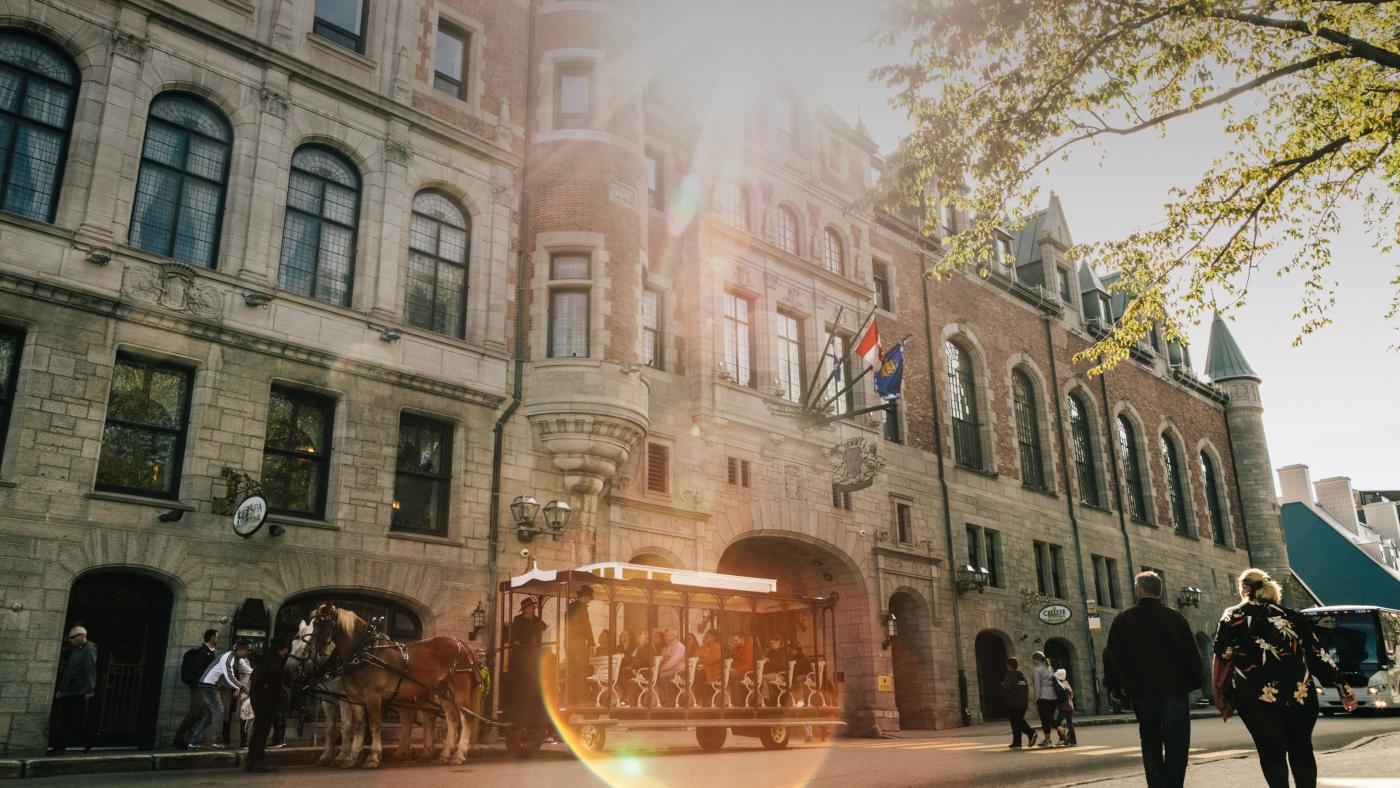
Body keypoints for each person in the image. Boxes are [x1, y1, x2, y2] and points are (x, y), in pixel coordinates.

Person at [1213, 568, 1358, 788]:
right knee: (1302, 749)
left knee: (1271, 752)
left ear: (1245, 588)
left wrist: (1222, 693)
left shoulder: (1233, 616)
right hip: (1299, 695)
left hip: (1258, 698)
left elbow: (1223, 654)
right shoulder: (1293, 616)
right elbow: (1318, 656)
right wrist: (1344, 689)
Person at [1103, 571, 1201, 788]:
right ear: (1160, 591)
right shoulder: (1176, 618)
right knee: (1177, 741)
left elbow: (1111, 656)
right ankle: (1174, 784)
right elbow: (1192, 654)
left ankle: (1156, 784)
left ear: (1139, 590)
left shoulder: (1123, 619)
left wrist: (1114, 687)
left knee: (1150, 739)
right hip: (1174, 689)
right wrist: (1194, 681)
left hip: (1141, 691)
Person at [189, 639, 251, 750]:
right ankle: (217, 742)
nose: (249, 652)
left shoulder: (239, 659)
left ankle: (193, 742)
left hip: (211, 685)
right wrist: (242, 688)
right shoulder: (229, 658)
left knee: (209, 715)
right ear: (241, 650)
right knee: (219, 711)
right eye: (248, 650)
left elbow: (249, 671)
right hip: (209, 684)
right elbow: (230, 677)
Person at [48, 625, 98, 755]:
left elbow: (90, 669)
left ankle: (60, 747)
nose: (70, 640)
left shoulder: (89, 649)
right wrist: (61, 689)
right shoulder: (76, 650)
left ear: (82, 636)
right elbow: (69, 671)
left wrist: (89, 689)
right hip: (69, 690)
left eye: (72, 637)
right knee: (69, 719)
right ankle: (89, 738)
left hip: (78, 690)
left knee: (68, 719)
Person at [243, 639, 290, 773]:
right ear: (280, 650)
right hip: (266, 701)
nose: (286, 652)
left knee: (258, 730)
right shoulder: (275, 663)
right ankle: (258, 761)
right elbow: (274, 682)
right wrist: (282, 697)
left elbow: (255, 678)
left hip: (258, 699)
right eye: (285, 649)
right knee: (263, 731)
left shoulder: (264, 660)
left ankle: (250, 761)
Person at [174, 629, 219, 749]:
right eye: (216, 637)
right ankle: (179, 737)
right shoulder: (203, 652)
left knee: (201, 713)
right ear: (211, 638)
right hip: (199, 687)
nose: (218, 639)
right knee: (195, 712)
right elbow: (196, 669)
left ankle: (189, 739)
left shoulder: (210, 652)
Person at [508, 597, 548, 726]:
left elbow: (543, 626)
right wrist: (515, 641)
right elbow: (513, 635)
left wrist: (535, 619)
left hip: (534, 654)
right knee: (523, 678)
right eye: (530, 607)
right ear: (525, 609)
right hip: (523, 654)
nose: (533, 609)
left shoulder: (536, 620)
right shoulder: (518, 620)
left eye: (534, 607)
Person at [565, 585, 595, 705]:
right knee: (581, 670)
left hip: (569, 642)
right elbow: (587, 625)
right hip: (579, 642)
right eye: (589, 598)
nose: (589, 600)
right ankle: (582, 700)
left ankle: (570, 700)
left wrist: (565, 644)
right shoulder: (582, 608)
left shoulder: (570, 607)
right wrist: (592, 642)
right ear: (585, 597)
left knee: (571, 672)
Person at [1001, 657, 1037, 749]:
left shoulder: (1010, 676)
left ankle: (1026, 736)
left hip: (1013, 704)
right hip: (1023, 703)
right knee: (1019, 721)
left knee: (1015, 723)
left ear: (1009, 666)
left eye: (1007, 665)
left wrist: (1002, 685)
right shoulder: (1021, 676)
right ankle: (1021, 739)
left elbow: (1006, 689)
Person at [1030, 651, 1057, 748]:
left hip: (1043, 697)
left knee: (1045, 719)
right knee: (1049, 718)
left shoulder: (1036, 670)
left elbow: (1037, 687)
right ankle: (1047, 739)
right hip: (1053, 696)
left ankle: (1061, 730)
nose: (1032, 661)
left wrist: (1035, 699)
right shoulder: (1050, 668)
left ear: (1036, 660)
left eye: (1033, 659)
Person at [657, 629, 686, 697]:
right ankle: (658, 699)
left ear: (674, 636)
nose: (664, 638)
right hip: (668, 671)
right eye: (665, 636)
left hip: (678, 672)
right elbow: (660, 660)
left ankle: (666, 699)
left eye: (667, 636)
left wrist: (661, 669)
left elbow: (673, 662)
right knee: (655, 675)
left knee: (662, 676)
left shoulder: (680, 646)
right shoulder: (665, 648)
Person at [1053, 668, 1077, 746]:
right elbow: (1072, 695)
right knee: (1069, 724)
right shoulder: (1066, 683)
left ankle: (1063, 737)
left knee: (1056, 723)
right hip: (1070, 707)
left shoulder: (1059, 684)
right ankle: (1073, 741)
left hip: (1064, 708)